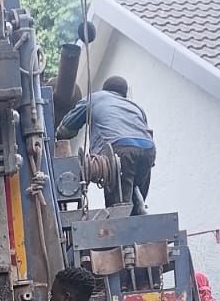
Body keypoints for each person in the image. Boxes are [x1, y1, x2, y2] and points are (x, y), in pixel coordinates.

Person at [56, 75, 156, 212]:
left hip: (118, 150)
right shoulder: (135, 106)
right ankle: (139, 212)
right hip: (148, 149)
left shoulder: (95, 98)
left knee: (118, 208)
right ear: (124, 94)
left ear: (105, 89)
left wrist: (58, 134)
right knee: (135, 198)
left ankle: (126, 224)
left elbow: (66, 129)